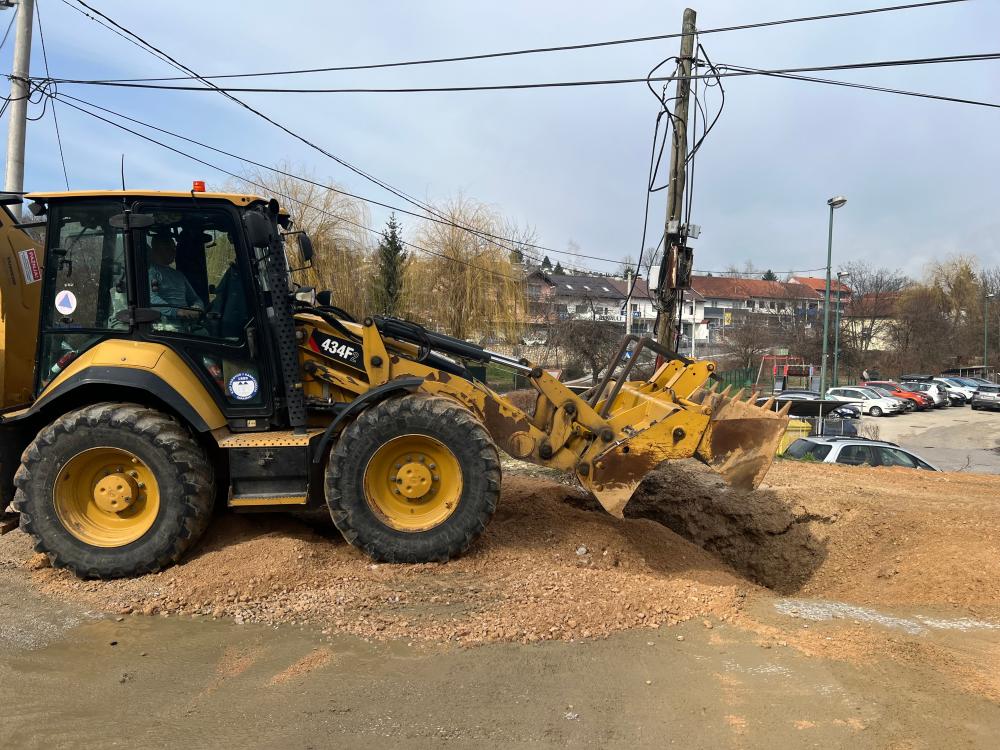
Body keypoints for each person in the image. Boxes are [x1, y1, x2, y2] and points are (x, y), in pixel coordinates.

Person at [148, 235, 204, 322]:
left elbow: (195, 299)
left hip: (185, 323)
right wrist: (178, 311)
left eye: (174, 248)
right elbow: (152, 300)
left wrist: (197, 308)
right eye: (168, 247)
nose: (173, 251)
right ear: (155, 250)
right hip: (164, 324)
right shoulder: (151, 273)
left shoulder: (178, 275)